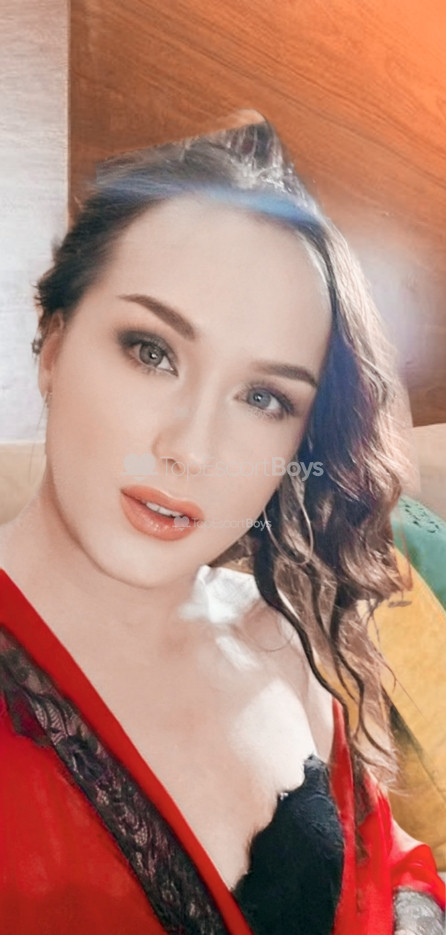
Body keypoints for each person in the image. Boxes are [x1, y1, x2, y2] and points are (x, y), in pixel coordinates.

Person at [0, 114, 444, 935]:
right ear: (54, 343)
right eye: (152, 350)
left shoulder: (273, 630)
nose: (193, 449)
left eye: (264, 397)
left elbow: (388, 863)